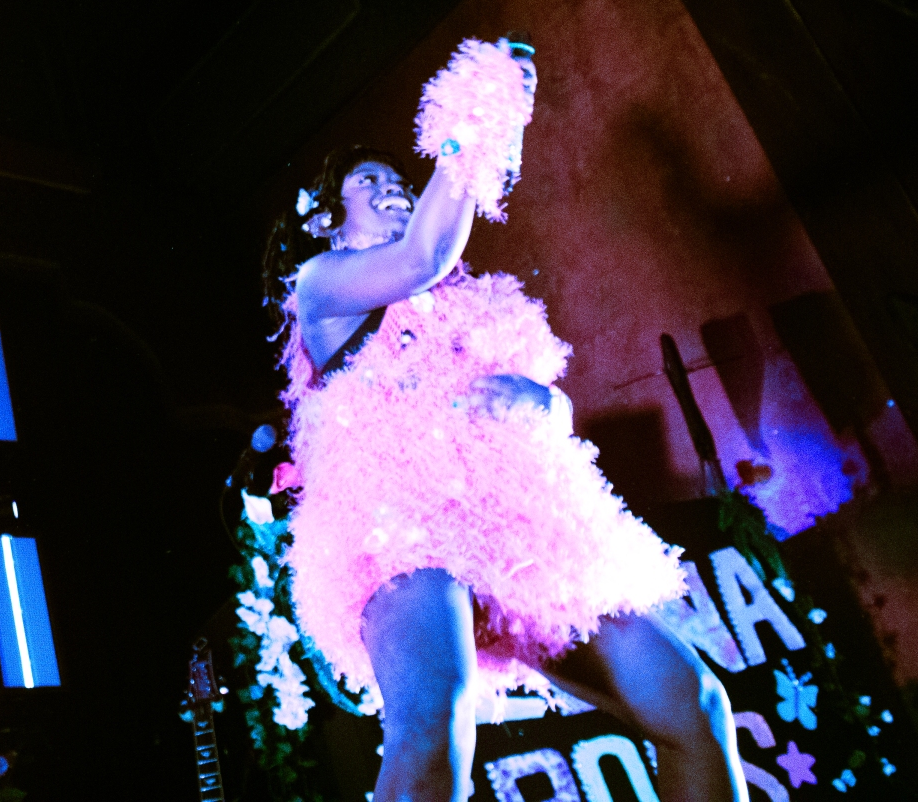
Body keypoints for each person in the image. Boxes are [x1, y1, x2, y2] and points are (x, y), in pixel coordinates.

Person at [262, 39, 747, 802]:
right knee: (437, 720)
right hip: (400, 524)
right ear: (327, 220)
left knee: (695, 705)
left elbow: (536, 410)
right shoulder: (321, 286)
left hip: (515, 530)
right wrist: (480, 106)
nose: (393, 190)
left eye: (399, 181)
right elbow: (423, 254)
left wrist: (545, 404)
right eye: (369, 183)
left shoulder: (470, 305)